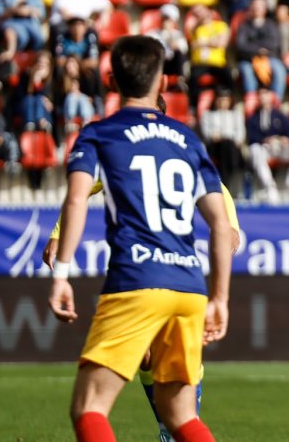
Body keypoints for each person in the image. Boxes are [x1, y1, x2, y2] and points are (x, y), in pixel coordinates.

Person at [49, 35, 233, 442]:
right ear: (163, 84)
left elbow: (77, 198)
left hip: (136, 279)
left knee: (89, 408)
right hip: (189, 287)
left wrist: (62, 273)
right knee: (180, 414)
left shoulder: (99, 134)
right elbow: (221, 224)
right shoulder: (188, 140)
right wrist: (219, 298)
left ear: (111, 80)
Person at [246, 87, 289, 202]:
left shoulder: (280, 115)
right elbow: (251, 138)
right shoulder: (252, 118)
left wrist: (285, 139)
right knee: (254, 150)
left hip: (281, 148)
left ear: (271, 97)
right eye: (260, 95)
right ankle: (269, 188)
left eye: (266, 94)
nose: (263, 98)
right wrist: (265, 140)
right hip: (265, 149)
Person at [234, 0, 285, 100]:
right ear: (250, 8)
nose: (257, 9)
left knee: (279, 70)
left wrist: (257, 48)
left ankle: (275, 102)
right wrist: (258, 50)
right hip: (248, 59)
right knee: (247, 72)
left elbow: (274, 43)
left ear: (265, 8)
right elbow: (241, 45)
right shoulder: (243, 26)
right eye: (254, 6)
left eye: (260, 6)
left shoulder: (271, 25)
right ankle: (251, 101)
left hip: (270, 58)